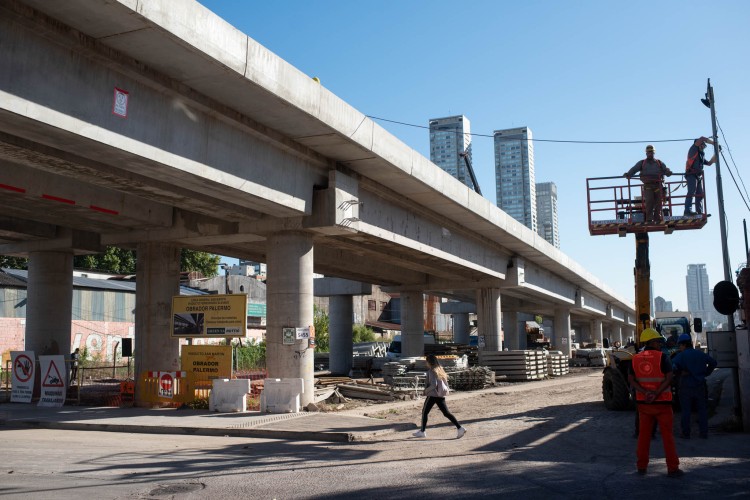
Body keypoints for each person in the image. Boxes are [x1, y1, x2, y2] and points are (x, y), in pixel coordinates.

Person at [628, 328, 682, 477]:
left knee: (643, 436)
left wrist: (645, 393)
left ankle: (641, 467)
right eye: (658, 341)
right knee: (667, 437)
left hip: (644, 405)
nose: (660, 344)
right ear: (652, 342)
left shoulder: (635, 358)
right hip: (662, 404)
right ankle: (672, 468)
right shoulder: (662, 357)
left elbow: (631, 380)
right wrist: (656, 393)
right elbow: (669, 377)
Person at [671, 333, 717, 439]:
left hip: (685, 386)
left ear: (683, 345)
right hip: (700, 385)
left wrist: (679, 373)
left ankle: (686, 433)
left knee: (686, 410)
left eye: (680, 346)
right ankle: (703, 433)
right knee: (702, 410)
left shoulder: (680, 356)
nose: (679, 348)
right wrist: (706, 373)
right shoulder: (700, 354)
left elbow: (672, 366)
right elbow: (713, 363)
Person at [413, 354, 467, 439]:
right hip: (440, 395)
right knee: (446, 413)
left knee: (424, 412)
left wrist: (425, 391)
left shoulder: (431, 371)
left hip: (432, 395)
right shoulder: (440, 370)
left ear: (429, 362)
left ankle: (422, 431)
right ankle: (460, 428)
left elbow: (433, 385)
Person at [624, 145, 672, 223]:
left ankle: (657, 217)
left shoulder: (659, 163)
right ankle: (649, 218)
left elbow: (665, 169)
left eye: (651, 152)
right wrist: (628, 174)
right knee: (650, 201)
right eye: (649, 152)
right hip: (648, 185)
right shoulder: (642, 163)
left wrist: (668, 172)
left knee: (659, 202)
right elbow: (634, 169)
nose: (650, 153)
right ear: (646, 153)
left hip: (658, 185)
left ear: (654, 153)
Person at [684, 136, 717, 216]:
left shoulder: (701, 155)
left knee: (700, 194)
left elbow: (709, 163)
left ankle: (699, 212)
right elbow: (702, 138)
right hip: (691, 174)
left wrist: (717, 152)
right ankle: (687, 210)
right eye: (702, 145)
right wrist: (714, 143)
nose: (703, 147)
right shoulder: (693, 149)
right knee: (691, 192)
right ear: (698, 144)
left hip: (698, 176)